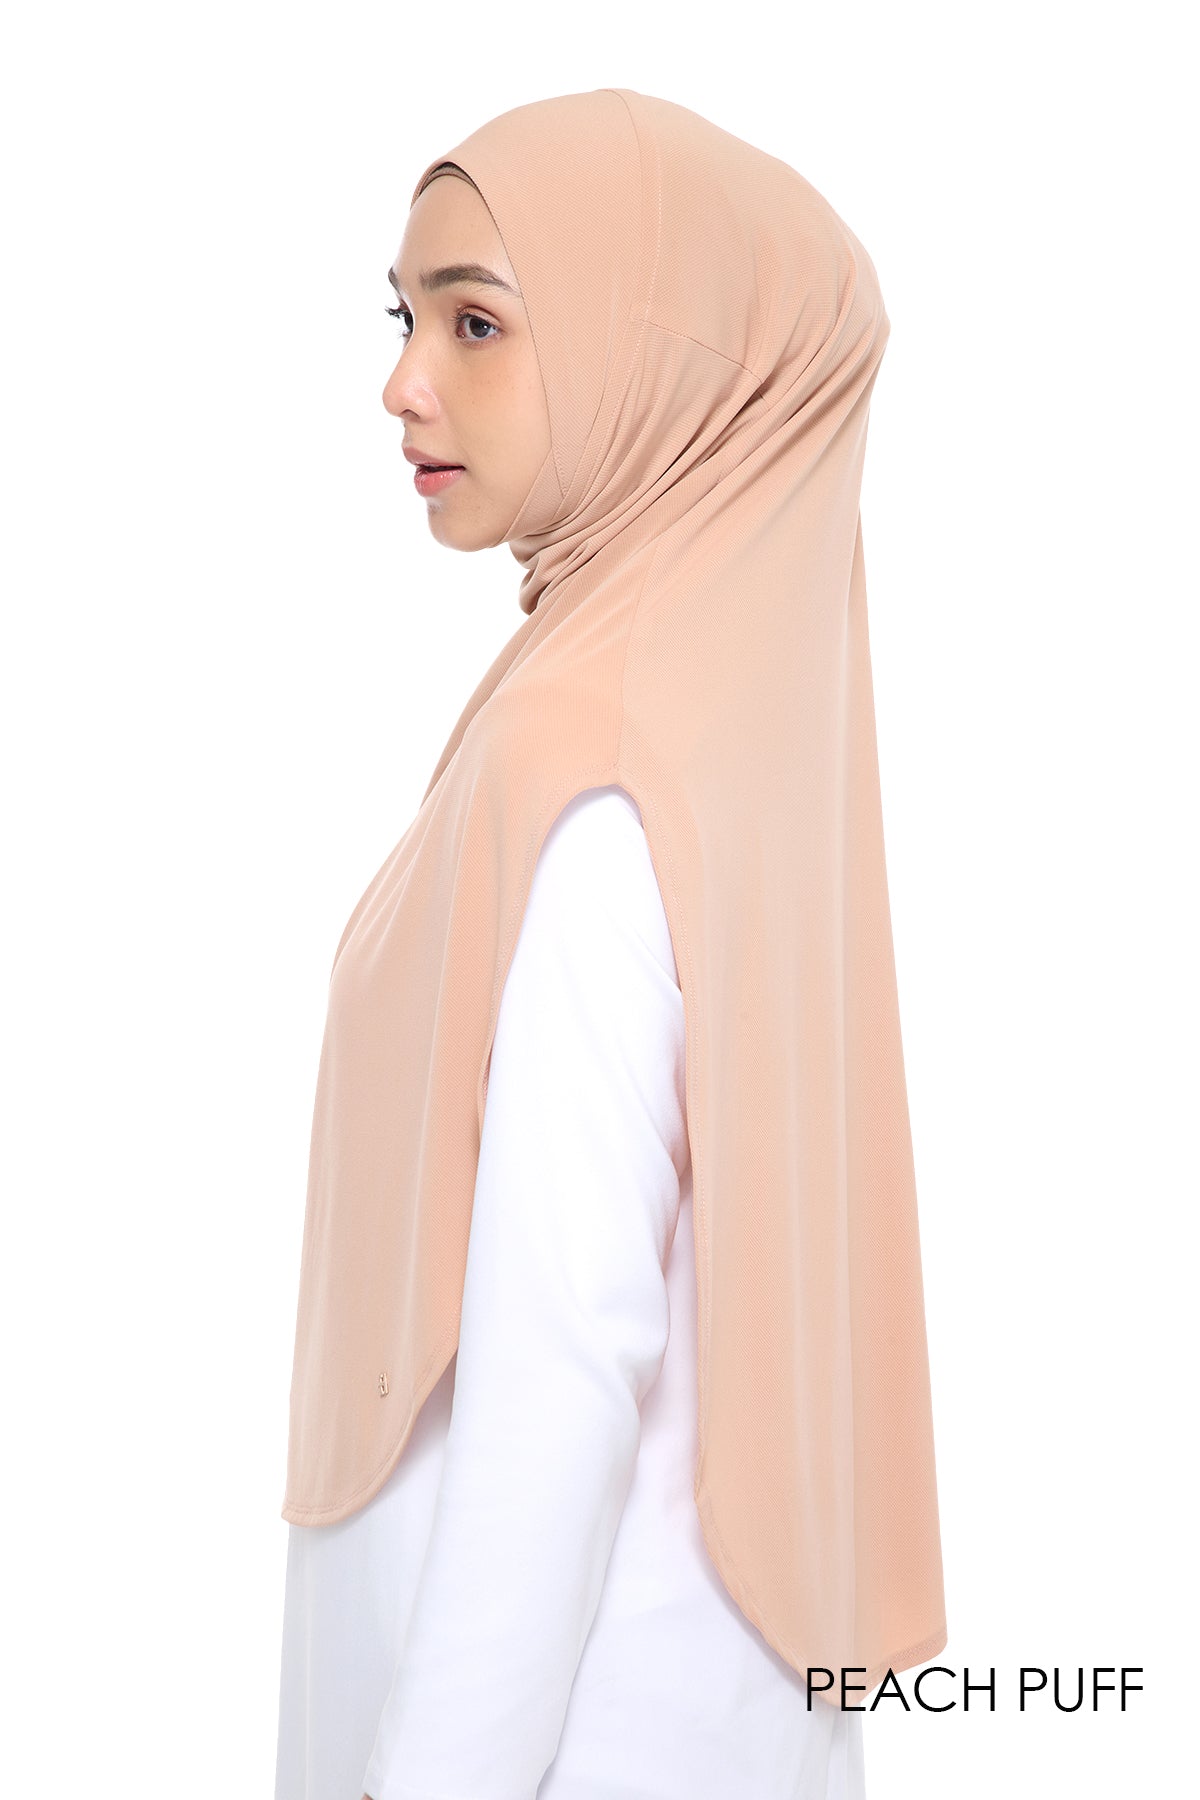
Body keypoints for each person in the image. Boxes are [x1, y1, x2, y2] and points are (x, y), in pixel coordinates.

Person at [276, 87, 945, 1800]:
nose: (403, 383)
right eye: (404, 318)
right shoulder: (728, 733)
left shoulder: (593, 776)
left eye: (477, 323)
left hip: (551, 1736)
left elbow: (565, 1367)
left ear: (661, 367)